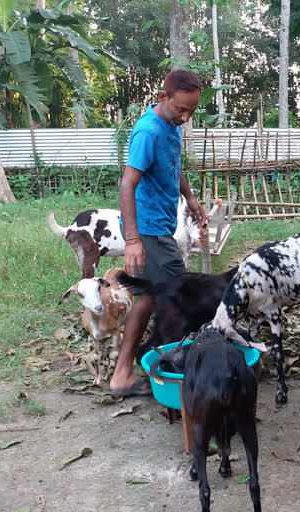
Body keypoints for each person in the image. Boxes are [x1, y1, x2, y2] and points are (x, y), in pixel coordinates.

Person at [109, 70, 205, 396]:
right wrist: (133, 240)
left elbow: (172, 167)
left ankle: (125, 372)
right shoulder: (148, 132)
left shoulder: (171, 125)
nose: (186, 116)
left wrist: (189, 197)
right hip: (148, 230)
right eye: (181, 109)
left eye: (191, 111)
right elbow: (127, 184)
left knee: (148, 296)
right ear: (164, 98)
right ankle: (174, 367)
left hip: (159, 226)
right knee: (183, 294)